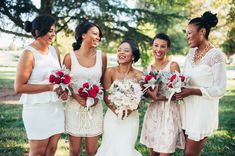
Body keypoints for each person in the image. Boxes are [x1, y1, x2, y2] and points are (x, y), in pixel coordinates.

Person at [174, 11, 227, 156]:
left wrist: (192, 91)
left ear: (202, 31)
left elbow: (220, 89)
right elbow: (186, 78)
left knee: (189, 154)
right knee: (188, 151)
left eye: (189, 33)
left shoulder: (216, 55)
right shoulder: (190, 53)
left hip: (202, 111)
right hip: (187, 110)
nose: (187, 37)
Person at [14, 14, 67, 156]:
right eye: (50, 30)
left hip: (55, 107)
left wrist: (63, 90)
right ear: (38, 32)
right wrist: (49, 87)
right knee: (38, 152)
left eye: (54, 31)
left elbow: (60, 77)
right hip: (37, 108)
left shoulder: (55, 51)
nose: (53, 34)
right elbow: (19, 87)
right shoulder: (28, 53)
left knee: (51, 150)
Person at [63, 21, 107, 156]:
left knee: (92, 152)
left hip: (94, 108)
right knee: (74, 151)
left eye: (99, 36)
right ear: (83, 35)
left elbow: (103, 82)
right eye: (94, 34)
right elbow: (65, 83)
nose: (98, 38)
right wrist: (76, 96)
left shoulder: (102, 56)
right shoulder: (69, 57)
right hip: (74, 108)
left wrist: (96, 98)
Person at [95, 39, 143, 156]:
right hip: (113, 116)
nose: (121, 53)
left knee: (126, 148)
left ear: (133, 55)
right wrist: (117, 112)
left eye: (126, 51)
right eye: (119, 50)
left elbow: (140, 99)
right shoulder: (109, 72)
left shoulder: (139, 75)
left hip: (131, 117)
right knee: (109, 148)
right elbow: (106, 96)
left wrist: (129, 110)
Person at [140, 33, 185, 156]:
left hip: (169, 113)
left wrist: (160, 97)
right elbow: (144, 93)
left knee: (165, 151)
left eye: (163, 46)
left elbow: (180, 94)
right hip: (153, 113)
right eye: (156, 46)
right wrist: (146, 94)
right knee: (153, 153)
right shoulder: (147, 69)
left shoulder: (172, 66)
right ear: (152, 47)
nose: (158, 50)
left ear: (168, 49)